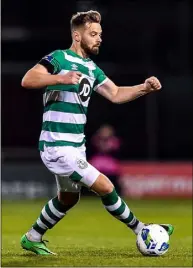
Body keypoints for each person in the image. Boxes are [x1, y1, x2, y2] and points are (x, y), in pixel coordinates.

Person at [20, 10, 174, 255]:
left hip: (75, 145)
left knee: (68, 199)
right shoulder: (59, 58)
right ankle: (142, 230)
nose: (99, 39)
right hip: (57, 144)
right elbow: (28, 80)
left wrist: (144, 88)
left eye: (100, 34)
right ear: (77, 36)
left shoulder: (92, 68)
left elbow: (115, 93)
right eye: (93, 34)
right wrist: (61, 78)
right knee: (106, 186)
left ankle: (33, 236)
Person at [89, 124, 121, 194]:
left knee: (112, 181)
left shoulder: (114, 141)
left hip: (110, 164)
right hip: (97, 162)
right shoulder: (96, 139)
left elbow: (115, 151)